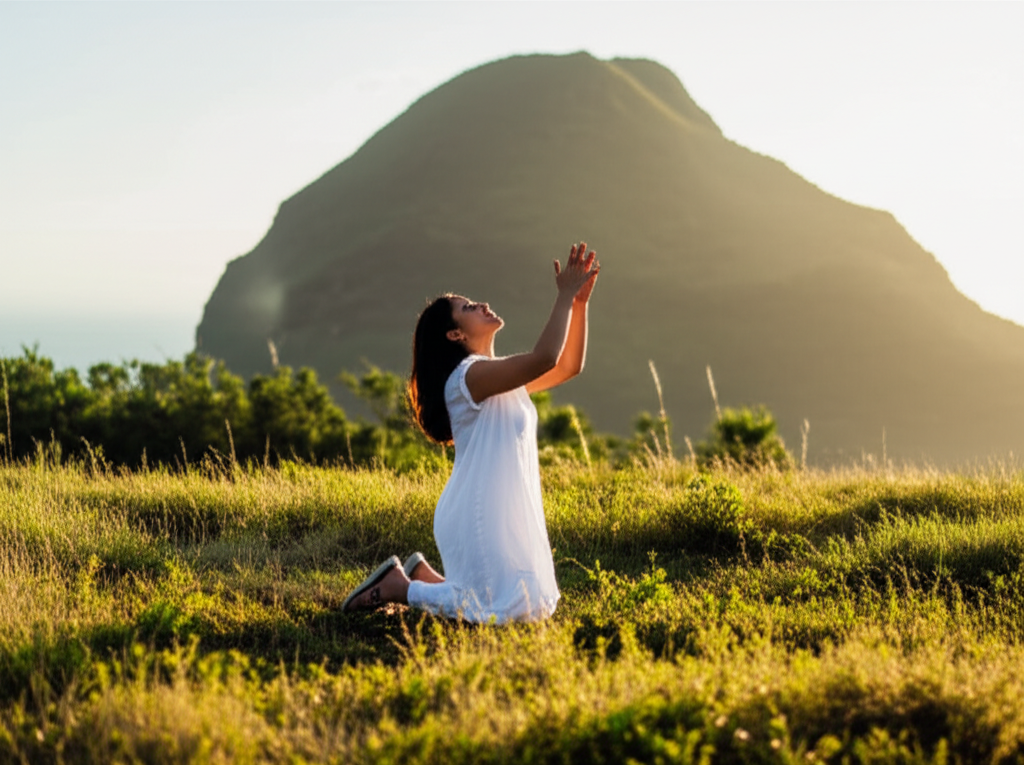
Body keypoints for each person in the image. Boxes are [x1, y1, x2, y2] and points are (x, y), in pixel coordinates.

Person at [342, 241, 600, 622]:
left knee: (527, 606)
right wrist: (563, 296)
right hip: (477, 512)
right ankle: (402, 587)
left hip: (497, 511)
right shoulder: (467, 378)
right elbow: (545, 357)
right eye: (467, 308)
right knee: (511, 610)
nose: (480, 305)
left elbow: (566, 367)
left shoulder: (497, 378)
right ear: (454, 335)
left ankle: (424, 577)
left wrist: (579, 304)